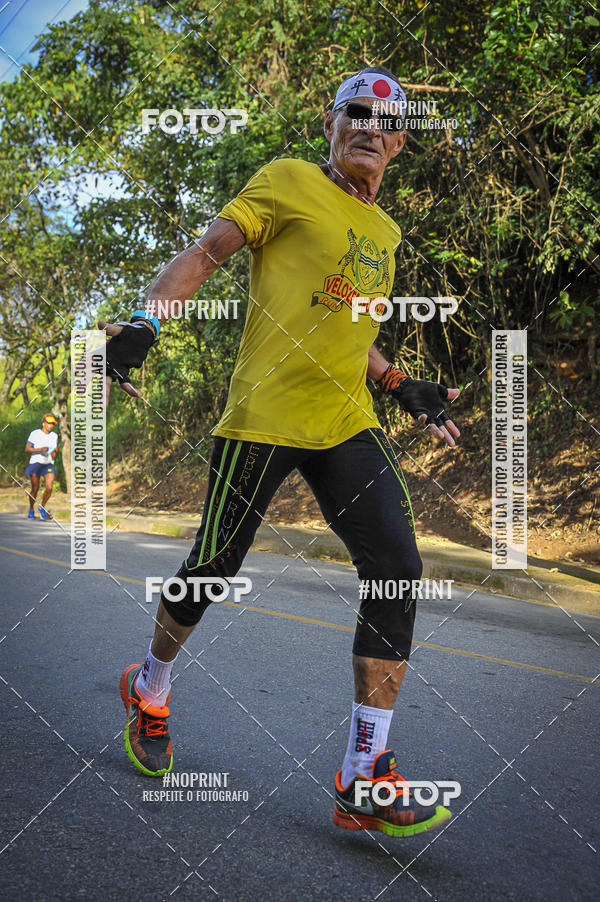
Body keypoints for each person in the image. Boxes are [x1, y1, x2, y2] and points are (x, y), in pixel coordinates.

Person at [103, 67, 461, 838]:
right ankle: (151, 685)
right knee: (214, 565)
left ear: (400, 143)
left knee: (397, 566)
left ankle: (363, 776)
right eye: (354, 111)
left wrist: (397, 382)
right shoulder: (288, 181)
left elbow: (354, 325)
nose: (368, 127)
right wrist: (145, 323)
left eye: (385, 120)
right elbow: (206, 253)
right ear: (331, 123)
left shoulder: (386, 233)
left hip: (345, 423)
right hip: (264, 415)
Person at [25, 414, 58, 520]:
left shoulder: (54, 435)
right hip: (36, 462)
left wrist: (54, 452)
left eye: (53, 424)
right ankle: (31, 509)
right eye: (49, 423)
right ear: (43, 423)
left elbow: (54, 450)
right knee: (35, 488)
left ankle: (42, 507)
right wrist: (40, 449)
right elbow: (27, 448)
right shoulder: (35, 434)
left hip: (48, 463)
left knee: (49, 487)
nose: (51, 425)